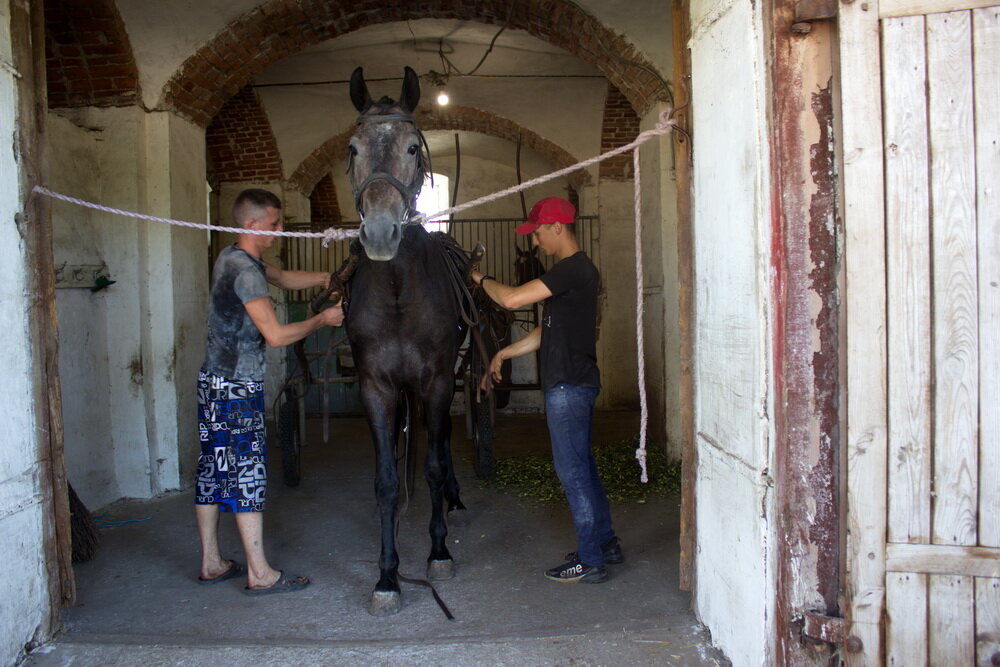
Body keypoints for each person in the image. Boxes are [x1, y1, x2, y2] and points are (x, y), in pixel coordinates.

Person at [195, 188, 343, 595]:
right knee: (247, 474)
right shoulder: (245, 272)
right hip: (237, 388)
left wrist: (328, 278)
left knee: (211, 471)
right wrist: (323, 320)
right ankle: (260, 573)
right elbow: (276, 336)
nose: (280, 230)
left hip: (213, 381)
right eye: (275, 224)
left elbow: (280, 277)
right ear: (252, 224)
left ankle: (211, 562)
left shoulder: (233, 257)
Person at [471, 196, 622, 584]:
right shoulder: (571, 274)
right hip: (574, 383)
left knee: (573, 473)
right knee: (583, 467)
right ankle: (605, 544)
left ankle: (590, 559)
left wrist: (479, 278)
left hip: (568, 385)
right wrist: (503, 353)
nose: (535, 242)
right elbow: (546, 331)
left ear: (557, 227)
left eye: (538, 233)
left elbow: (510, 299)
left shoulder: (572, 269)